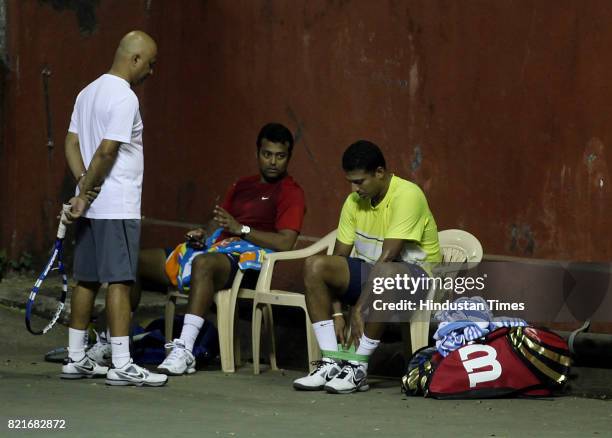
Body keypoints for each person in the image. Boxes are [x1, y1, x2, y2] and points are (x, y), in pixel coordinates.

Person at [85, 123, 305, 375]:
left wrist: (241, 229)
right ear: (257, 153)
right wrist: (203, 233)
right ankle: (114, 341)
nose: (273, 161)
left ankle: (185, 349)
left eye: (280, 156)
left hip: (246, 262)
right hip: (214, 249)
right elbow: (218, 222)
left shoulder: (291, 193)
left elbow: (286, 242)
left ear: (289, 157)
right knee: (132, 262)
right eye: (267, 154)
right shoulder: (243, 185)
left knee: (204, 264)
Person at [60, 30, 167, 387]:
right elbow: (106, 151)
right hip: (117, 205)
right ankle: (121, 363)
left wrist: (81, 190)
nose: (151, 72)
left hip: (91, 207)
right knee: (120, 280)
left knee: (87, 280)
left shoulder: (87, 92)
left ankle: (76, 358)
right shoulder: (125, 98)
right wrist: (86, 191)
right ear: (134, 59)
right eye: (150, 64)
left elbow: (71, 142)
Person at [293, 140, 442, 394]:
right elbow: (339, 258)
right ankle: (331, 361)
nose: (354, 188)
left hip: (416, 280)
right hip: (373, 274)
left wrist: (359, 309)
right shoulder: (353, 202)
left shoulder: (407, 194)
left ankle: (358, 367)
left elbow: (390, 257)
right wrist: (338, 313)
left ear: (380, 173)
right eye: (350, 181)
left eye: (360, 181)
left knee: (387, 272)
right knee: (315, 265)